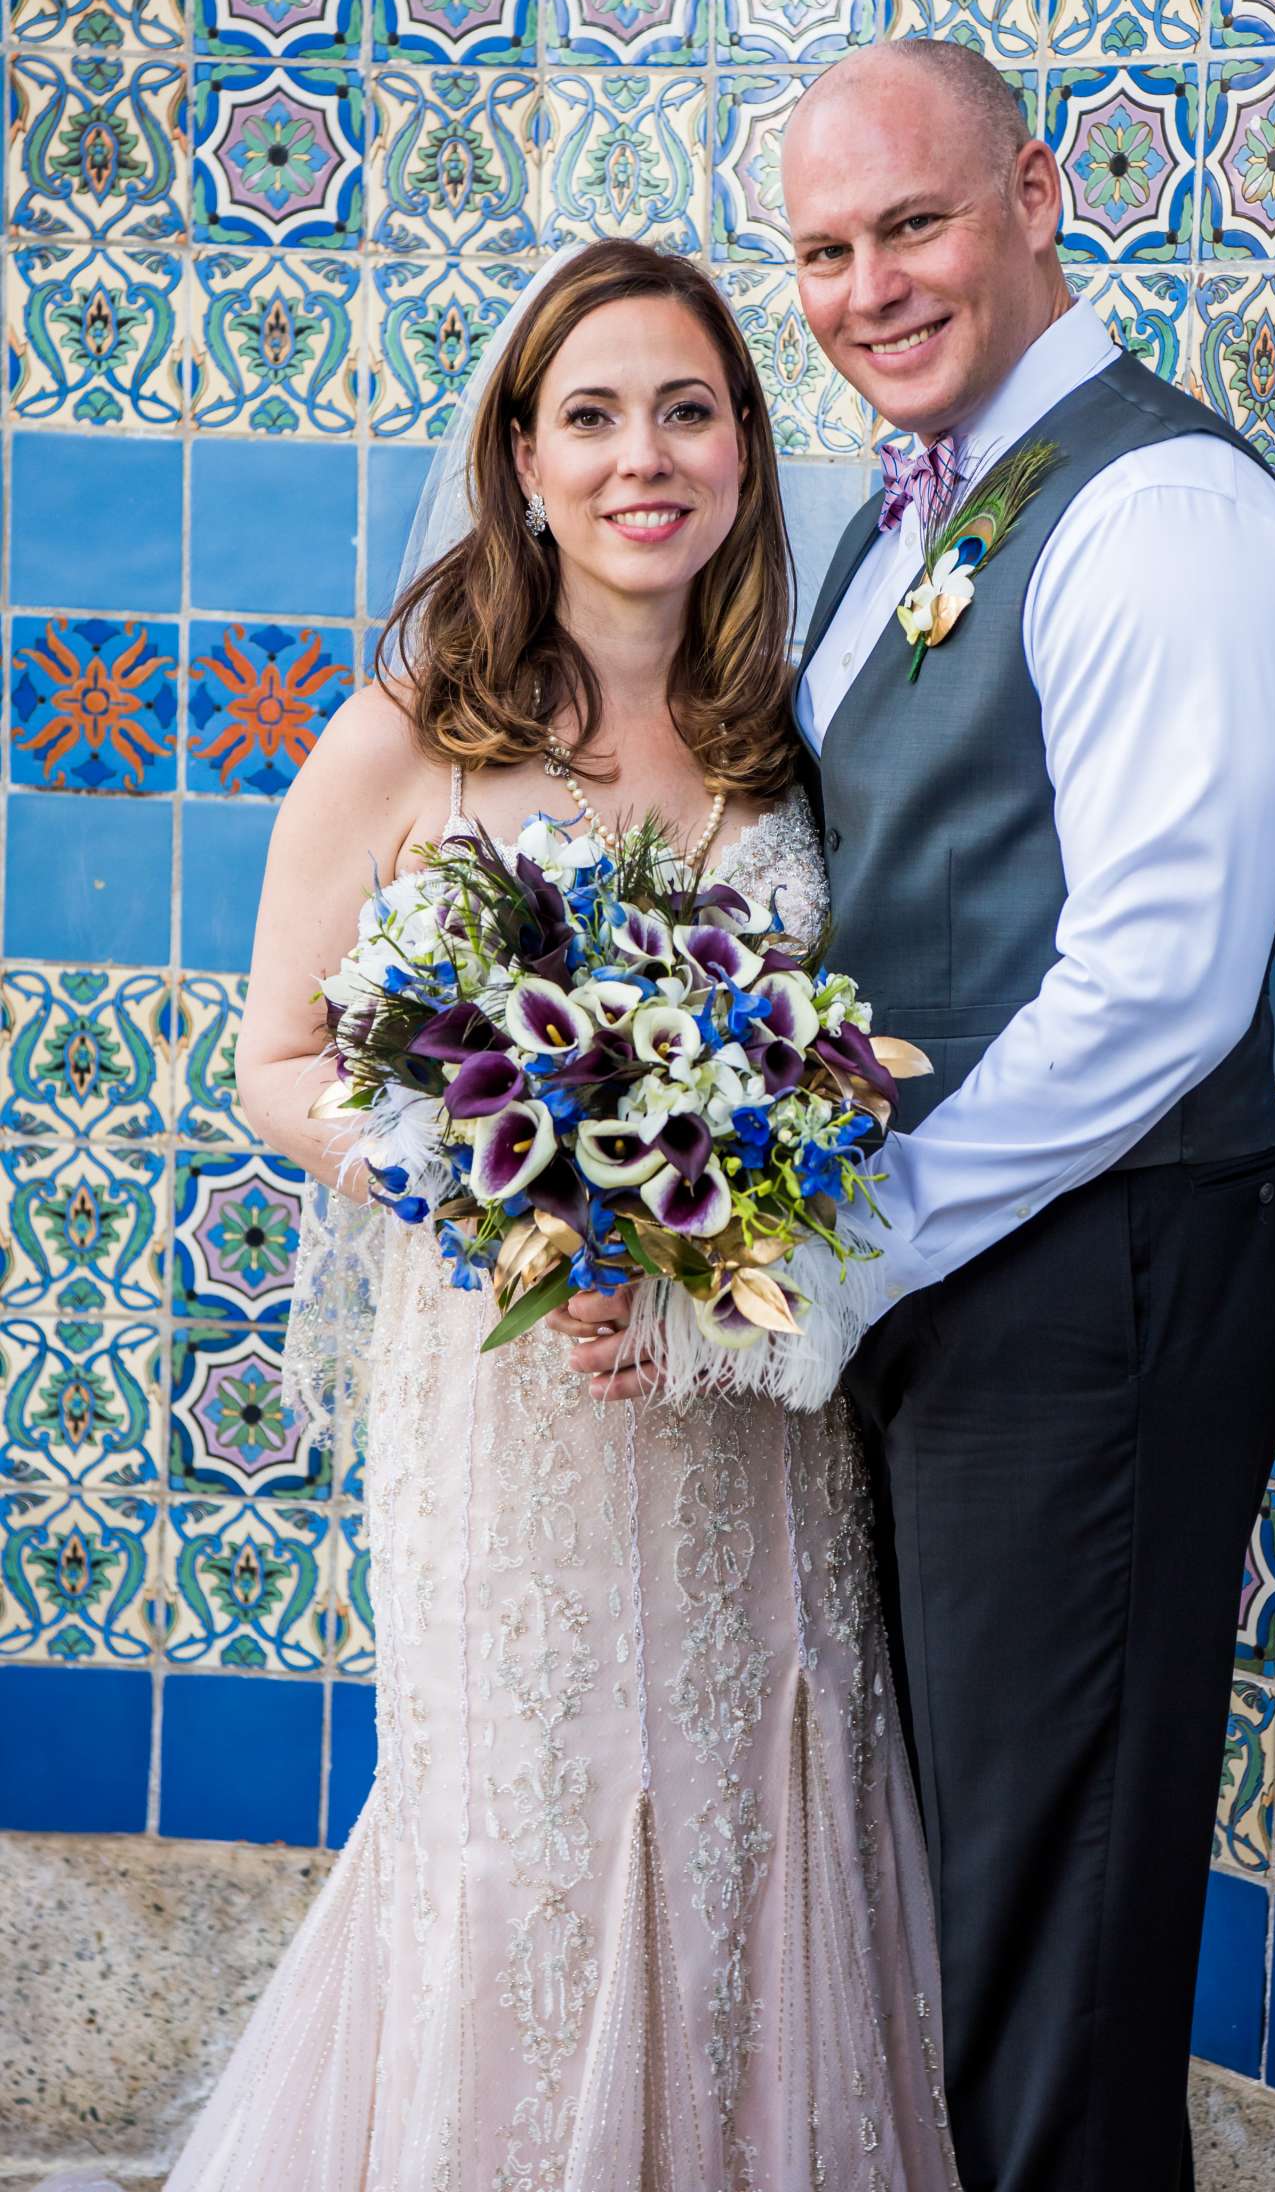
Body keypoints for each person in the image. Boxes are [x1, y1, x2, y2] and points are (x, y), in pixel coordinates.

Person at [161, 239, 958, 2191]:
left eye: (689, 410)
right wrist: (496, 1195)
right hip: (513, 1423)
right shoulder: (409, 738)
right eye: (591, 414)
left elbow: (817, 1072)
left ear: (751, 454)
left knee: (756, 1841)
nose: (642, 457)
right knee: (522, 1860)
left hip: (747, 1431)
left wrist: (725, 1226)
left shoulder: (793, 740)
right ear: (522, 457)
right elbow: (273, 1060)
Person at [760, 38, 1275, 2192]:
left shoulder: (1159, 509)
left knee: (1056, 1941)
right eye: (822, 250)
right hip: (965, 1283)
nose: (868, 287)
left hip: (1095, 1288)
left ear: (1037, 194)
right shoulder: (919, 506)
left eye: (910, 222)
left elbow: (1156, 993)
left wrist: (846, 1238)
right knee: (975, 1911)